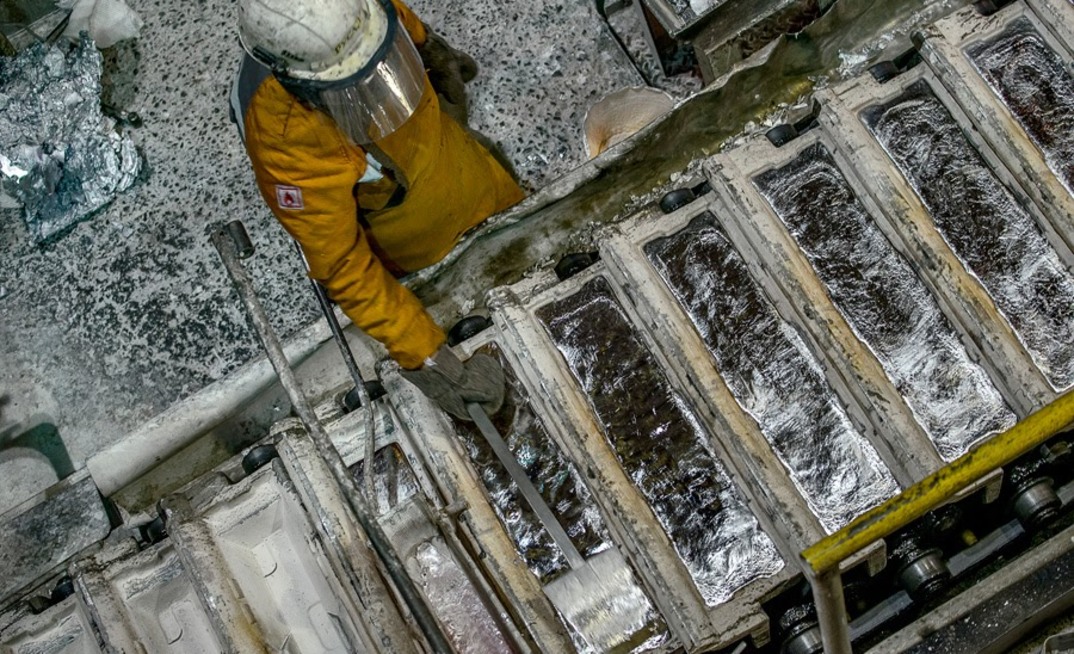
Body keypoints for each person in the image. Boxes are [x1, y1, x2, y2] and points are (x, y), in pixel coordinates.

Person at [230, 0, 524, 419]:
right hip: (413, 235)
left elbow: (391, 17)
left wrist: (427, 48)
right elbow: (342, 263)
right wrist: (428, 358)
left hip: (458, 163)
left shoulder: (356, 13)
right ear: (299, 83)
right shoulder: (285, 136)